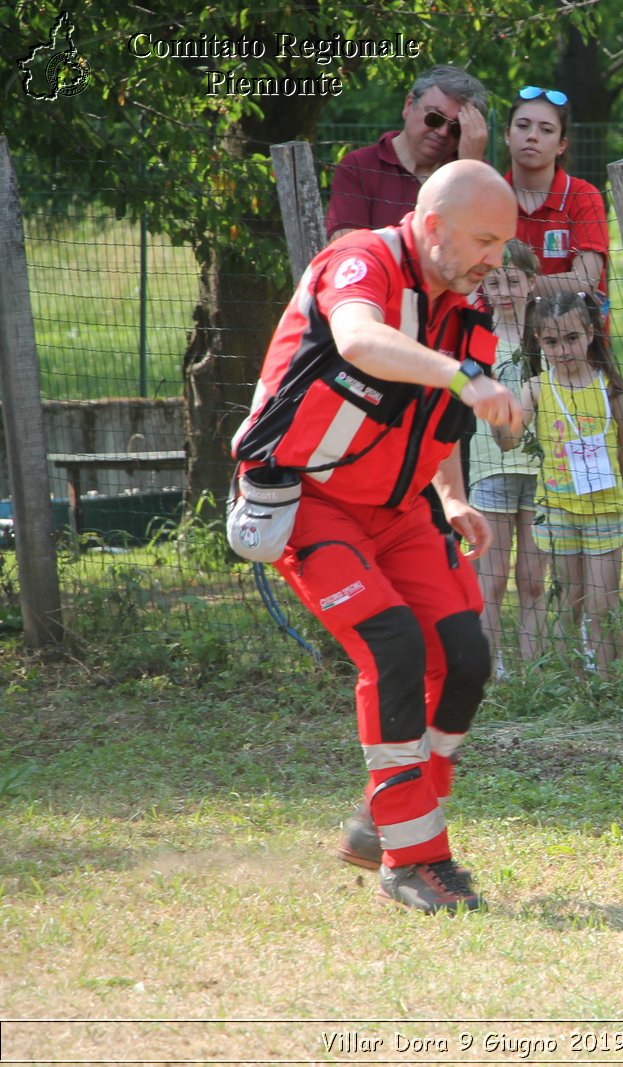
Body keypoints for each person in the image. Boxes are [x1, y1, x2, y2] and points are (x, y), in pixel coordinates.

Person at [232, 160, 522, 913]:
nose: (497, 258)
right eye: (486, 240)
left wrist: (453, 497)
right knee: (392, 644)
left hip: (401, 511)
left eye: (504, 243)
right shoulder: (360, 259)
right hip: (314, 502)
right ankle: (411, 857)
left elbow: (444, 419)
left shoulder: (468, 307)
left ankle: (377, 819)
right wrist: (465, 377)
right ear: (432, 228)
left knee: (464, 658)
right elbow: (360, 340)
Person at [527, 291, 623, 673]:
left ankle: (606, 679)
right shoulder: (537, 388)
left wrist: (602, 481)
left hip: (604, 510)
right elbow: (507, 438)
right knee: (568, 596)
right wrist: (500, 411)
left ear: (590, 334)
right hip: (556, 509)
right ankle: (570, 676)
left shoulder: (610, 387)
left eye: (571, 339)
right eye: (552, 342)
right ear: (540, 343)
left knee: (602, 600)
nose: (563, 350)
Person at [470, 240, 547, 676]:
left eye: (513, 280)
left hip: (542, 467)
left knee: (533, 579)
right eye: (493, 281)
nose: (503, 290)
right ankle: (490, 667)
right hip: (490, 463)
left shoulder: (548, 334)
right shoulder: (477, 337)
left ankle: (533, 670)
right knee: (493, 578)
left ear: (531, 282)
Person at [326, 65, 489, 240]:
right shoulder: (359, 166)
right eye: (434, 117)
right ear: (409, 105)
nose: (442, 132)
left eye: (456, 128)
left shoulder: (475, 170)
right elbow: (347, 252)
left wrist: (469, 168)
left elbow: (480, 249)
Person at [502, 85, 609, 306]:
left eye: (546, 130)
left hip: (569, 336)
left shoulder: (583, 195)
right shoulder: (488, 196)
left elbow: (585, 280)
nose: (532, 136)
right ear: (506, 135)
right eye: (522, 126)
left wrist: (506, 288)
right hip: (504, 333)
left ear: (562, 145)